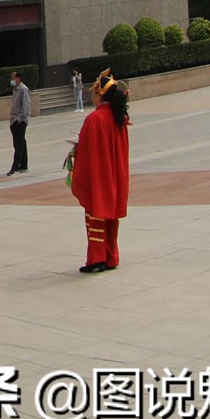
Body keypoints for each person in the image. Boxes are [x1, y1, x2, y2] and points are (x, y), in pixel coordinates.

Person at [73, 69, 131, 273]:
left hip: (99, 174)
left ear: (99, 94)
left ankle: (97, 257)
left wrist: (75, 153)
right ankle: (111, 256)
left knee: (96, 212)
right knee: (111, 215)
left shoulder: (94, 119)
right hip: (115, 174)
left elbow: (87, 150)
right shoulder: (119, 118)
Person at [6, 71, 32, 175]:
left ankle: (15, 167)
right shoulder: (15, 90)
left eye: (13, 78)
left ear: (18, 78)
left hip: (19, 120)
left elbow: (26, 105)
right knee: (20, 142)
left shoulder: (23, 89)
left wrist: (21, 119)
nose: (12, 80)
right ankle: (24, 165)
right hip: (14, 120)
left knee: (19, 143)